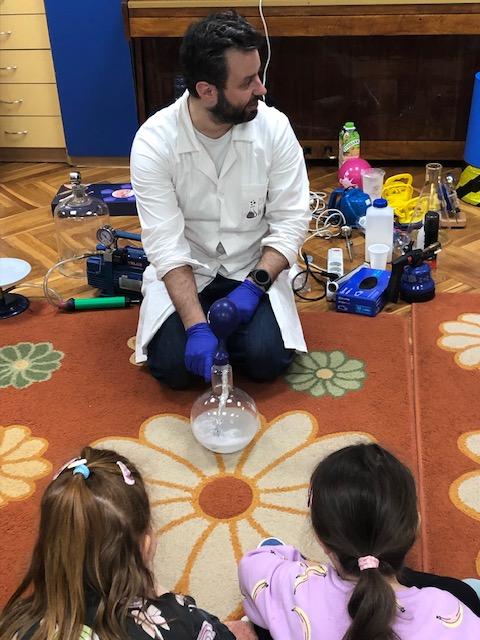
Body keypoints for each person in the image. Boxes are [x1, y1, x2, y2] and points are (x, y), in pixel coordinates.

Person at [130, 10, 310, 390]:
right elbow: (165, 244)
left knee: (267, 359)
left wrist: (255, 286)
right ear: (207, 90)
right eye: (247, 82)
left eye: (258, 75)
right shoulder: (153, 142)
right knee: (173, 368)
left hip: (251, 268)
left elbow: (291, 220)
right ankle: (209, 330)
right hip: (189, 270)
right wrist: (196, 326)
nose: (261, 89)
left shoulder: (274, 129)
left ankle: (238, 330)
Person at [239, 443, 480, 639]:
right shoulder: (448, 608)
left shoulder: (297, 586)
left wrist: (304, 565)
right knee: (467, 591)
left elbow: (255, 564)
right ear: (415, 526)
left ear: (322, 539)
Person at [0, 447, 235, 640]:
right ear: (145, 545)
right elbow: (221, 636)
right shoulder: (171, 620)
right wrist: (162, 594)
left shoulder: (18, 623)